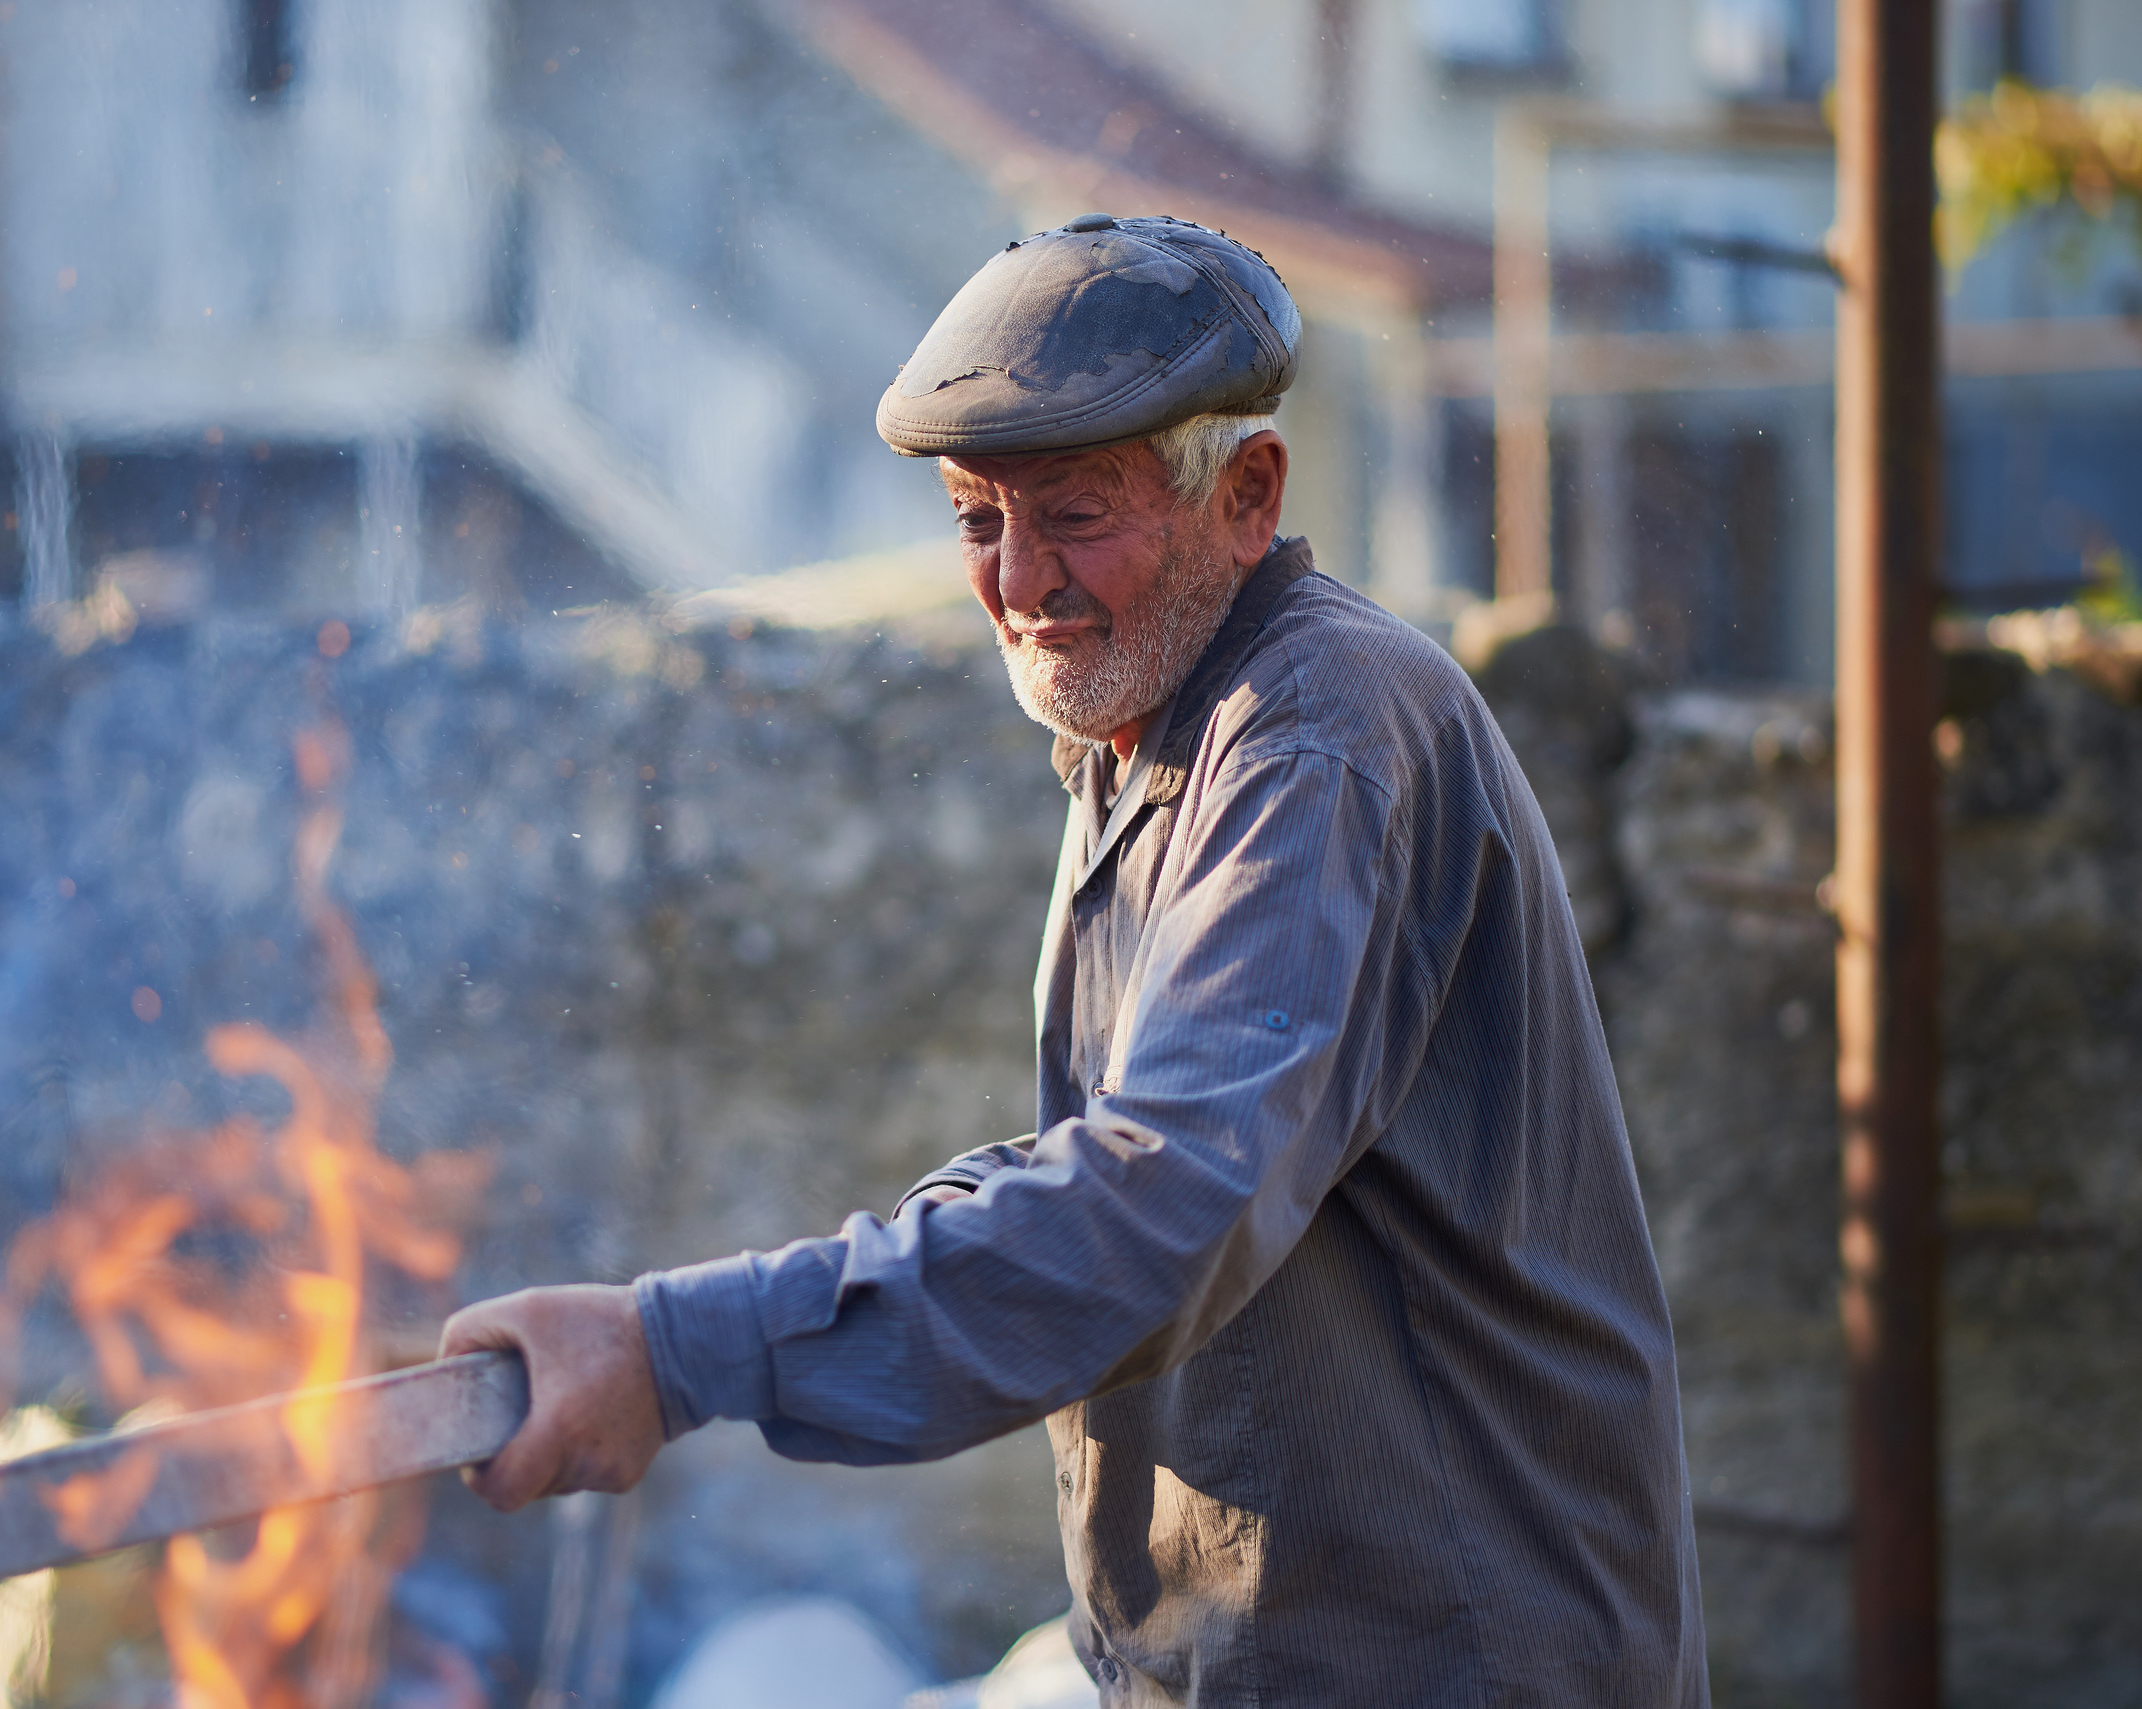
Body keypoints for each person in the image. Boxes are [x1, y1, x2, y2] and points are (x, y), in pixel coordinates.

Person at [440, 213, 1707, 1707]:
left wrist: (679, 1348)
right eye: (979, 517)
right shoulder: (1148, 731)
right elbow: (1113, 1164)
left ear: (1248, 496)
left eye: (1076, 512)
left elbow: (1162, 1196)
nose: (1018, 577)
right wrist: (709, 1317)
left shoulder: (1317, 736)